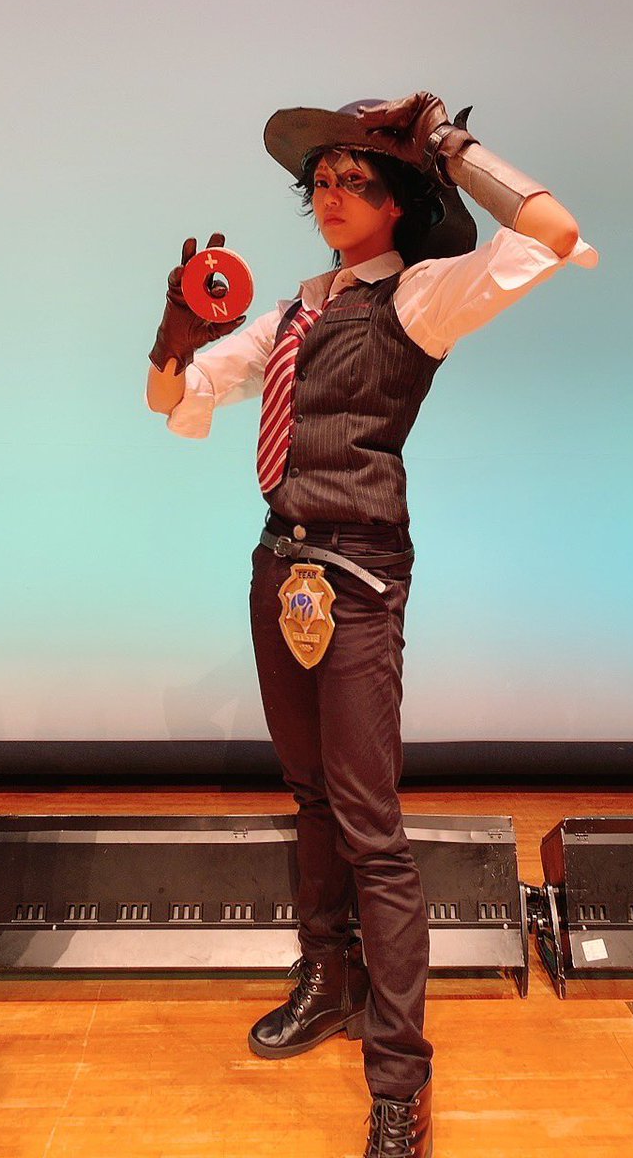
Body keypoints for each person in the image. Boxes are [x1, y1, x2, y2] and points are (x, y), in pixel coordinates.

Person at [145, 91, 598, 1158]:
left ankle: (400, 1083)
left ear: (398, 204)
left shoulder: (421, 298)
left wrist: (448, 144)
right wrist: (174, 336)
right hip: (279, 565)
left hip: (356, 575)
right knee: (311, 796)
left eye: (359, 181)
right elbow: (174, 405)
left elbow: (554, 235)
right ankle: (328, 978)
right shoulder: (294, 313)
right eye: (324, 181)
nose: (334, 195)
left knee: (370, 825)